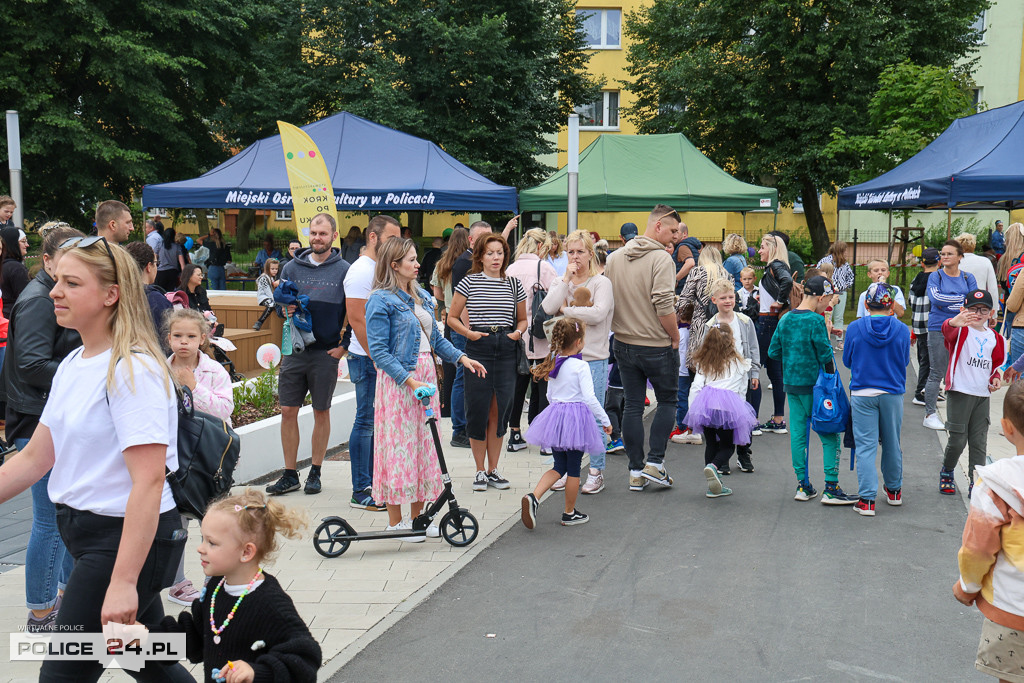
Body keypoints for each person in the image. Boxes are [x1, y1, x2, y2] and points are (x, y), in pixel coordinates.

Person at [0, 235, 192, 682]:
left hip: (120, 542)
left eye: (71, 283)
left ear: (111, 295)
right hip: (88, 535)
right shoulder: (74, 363)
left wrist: (124, 580)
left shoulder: (133, 369)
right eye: (56, 280)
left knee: (62, 674)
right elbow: (32, 458)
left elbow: (148, 481)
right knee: (144, 658)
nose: (54, 291)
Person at [365, 237, 486, 534]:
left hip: (425, 377)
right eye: (411, 260)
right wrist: (409, 379)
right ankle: (396, 522)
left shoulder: (420, 295)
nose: (418, 264)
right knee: (398, 448)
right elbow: (379, 352)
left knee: (423, 446)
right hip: (400, 381)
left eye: (416, 258)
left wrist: (462, 359)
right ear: (394, 265)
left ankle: (419, 519)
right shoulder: (380, 299)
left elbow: (436, 340)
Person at [1, 224, 82, 633]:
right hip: (36, 422)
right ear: (46, 261)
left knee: (65, 520)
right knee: (49, 524)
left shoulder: (56, 296)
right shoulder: (37, 301)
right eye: (64, 259)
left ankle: (64, 605)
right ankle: (40, 613)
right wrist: (86, 374)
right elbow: (31, 365)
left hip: (51, 419)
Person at [161, 490, 321, 681]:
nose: (200, 548)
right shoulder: (215, 588)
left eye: (211, 543)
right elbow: (195, 638)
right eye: (202, 539)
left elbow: (306, 658)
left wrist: (256, 672)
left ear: (246, 552)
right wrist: (136, 643)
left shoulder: (269, 602)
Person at [265, 214, 350, 496]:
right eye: (313, 233)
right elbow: (279, 307)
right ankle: (290, 474)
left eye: (323, 233)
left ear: (333, 237)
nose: (317, 238)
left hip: (325, 353)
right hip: (294, 351)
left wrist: (343, 347)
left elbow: (356, 312)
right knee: (288, 411)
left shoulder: (344, 270)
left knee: (321, 411)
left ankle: (315, 470)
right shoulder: (290, 268)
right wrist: (283, 310)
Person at [604, 204, 682, 492]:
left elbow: (609, 298)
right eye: (673, 230)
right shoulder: (661, 259)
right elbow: (664, 304)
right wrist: (674, 336)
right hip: (656, 344)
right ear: (659, 224)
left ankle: (636, 471)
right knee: (668, 401)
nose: (675, 237)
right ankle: (655, 463)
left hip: (623, 343)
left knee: (633, 405)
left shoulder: (616, 257)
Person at [954, 383, 1024, 683]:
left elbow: (977, 550)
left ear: (1006, 427)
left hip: (1013, 611)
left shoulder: (998, 485)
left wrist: (967, 587)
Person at [163, 308, 233, 605]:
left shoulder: (214, 371)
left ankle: (212, 579)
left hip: (210, 458)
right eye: (178, 336)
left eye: (191, 336)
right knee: (176, 520)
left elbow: (223, 410)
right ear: (168, 339)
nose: (184, 342)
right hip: (174, 459)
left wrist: (194, 386)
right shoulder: (160, 369)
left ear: (203, 339)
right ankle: (177, 582)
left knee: (212, 519)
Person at [447, 233, 526, 492]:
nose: (496, 258)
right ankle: (479, 470)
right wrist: (469, 333)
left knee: (499, 411)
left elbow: (523, 319)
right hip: (478, 346)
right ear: (480, 256)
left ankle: (493, 469)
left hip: (506, 347)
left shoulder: (514, 283)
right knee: (478, 409)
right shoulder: (469, 282)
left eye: (500, 253)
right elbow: (452, 318)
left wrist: (517, 333)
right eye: (490, 253)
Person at [768, 275, 857, 504]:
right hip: (816, 388)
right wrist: (826, 336)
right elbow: (825, 355)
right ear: (820, 296)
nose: (827, 305)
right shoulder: (815, 321)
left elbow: (773, 352)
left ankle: (803, 485)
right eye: (827, 300)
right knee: (829, 433)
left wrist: (793, 356)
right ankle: (831, 486)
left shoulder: (786, 318)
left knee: (798, 435)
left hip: (792, 385)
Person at [540, 229, 614, 494]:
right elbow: (548, 307)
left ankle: (596, 471)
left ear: (590, 253)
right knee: (564, 415)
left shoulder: (600, 283)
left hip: (593, 357)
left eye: (580, 251)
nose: (575, 257)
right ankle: (564, 470)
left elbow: (598, 313)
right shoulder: (563, 281)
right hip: (564, 359)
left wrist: (567, 310)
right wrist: (565, 279)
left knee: (593, 415)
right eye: (570, 252)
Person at [521, 317, 611, 528]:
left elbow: (550, 395)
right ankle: (569, 512)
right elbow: (590, 398)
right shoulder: (581, 366)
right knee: (573, 468)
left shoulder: (554, 362)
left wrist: (558, 413)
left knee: (558, 465)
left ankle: (534, 497)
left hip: (557, 417)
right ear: (579, 342)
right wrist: (605, 420)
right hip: (576, 419)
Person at [344, 215, 401, 510]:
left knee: (375, 422)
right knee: (365, 422)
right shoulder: (360, 271)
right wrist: (378, 358)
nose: (396, 245)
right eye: (391, 239)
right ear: (373, 237)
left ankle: (372, 482)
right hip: (367, 359)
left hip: (377, 359)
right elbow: (357, 320)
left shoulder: (376, 268)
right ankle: (360, 489)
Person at [843, 283, 911, 517]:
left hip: (863, 392)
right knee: (892, 442)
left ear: (865, 304)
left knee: (866, 445)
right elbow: (904, 361)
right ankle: (894, 491)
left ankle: (867, 499)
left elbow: (847, 361)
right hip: (892, 391)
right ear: (891, 305)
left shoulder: (854, 327)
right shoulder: (902, 330)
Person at [938, 290, 1005, 496]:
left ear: (991, 312)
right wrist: (955, 321)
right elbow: (946, 331)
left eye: (983, 309)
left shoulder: (995, 338)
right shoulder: (961, 331)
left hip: (981, 396)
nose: (978, 313)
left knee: (979, 441)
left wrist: (995, 377)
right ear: (963, 310)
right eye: (973, 309)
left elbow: (995, 365)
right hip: (960, 391)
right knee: (958, 439)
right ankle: (947, 470)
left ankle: (975, 481)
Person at [686, 323, 758, 499]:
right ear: (731, 340)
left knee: (711, 444)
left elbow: (696, 386)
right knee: (727, 446)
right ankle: (714, 467)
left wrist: (693, 410)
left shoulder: (704, 361)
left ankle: (713, 485)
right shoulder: (739, 362)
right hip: (728, 406)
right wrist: (739, 414)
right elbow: (742, 390)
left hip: (706, 404)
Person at [506, 228, 557, 453]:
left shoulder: (510, 269)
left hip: (517, 335)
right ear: (540, 246)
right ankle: (544, 437)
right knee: (544, 385)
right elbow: (556, 299)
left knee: (518, 387)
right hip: (541, 335)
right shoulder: (543, 267)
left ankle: (514, 433)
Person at [446, 221, 495, 448]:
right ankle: (459, 430)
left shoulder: (477, 261)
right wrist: (469, 332)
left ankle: (469, 426)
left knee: (471, 378)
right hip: (465, 331)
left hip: (475, 330)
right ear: (471, 240)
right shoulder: (463, 263)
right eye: (483, 238)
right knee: (462, 378)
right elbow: (461, 305)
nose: (487, 242)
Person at [704, 279, 761, 472]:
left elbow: (753, 348)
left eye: (731, 297)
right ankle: (722, 459)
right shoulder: (710, 324)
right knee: (723, 420)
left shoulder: (745, 321)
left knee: (744, 416)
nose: (728, 301)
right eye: (723, 298)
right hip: (721, 380)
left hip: (742, 376)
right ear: (714, 300)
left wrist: (755, 371)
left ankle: (744, 453)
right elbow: (705, 352)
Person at [924, 240, 979, 430]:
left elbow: (972, 302)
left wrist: (956, 304)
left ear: (960, 257)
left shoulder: (967, 277)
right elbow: (935, 298)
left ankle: (959, 415)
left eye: (949, 254)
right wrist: (960, 302)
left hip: (963, 328)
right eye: (943, 254)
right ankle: (930, 413)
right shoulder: (935, 276)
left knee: (960, 371)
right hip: (938, 327)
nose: (944, 257)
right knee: (937, 371)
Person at [432, 227, 470, 428]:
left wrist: (448, 299)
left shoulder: (442, 264)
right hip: (467, 318)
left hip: (449, 315)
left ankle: (446, 409)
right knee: (465, 367)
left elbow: (436, 293)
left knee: (450, 366)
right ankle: (461, 415)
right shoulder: (469, 263)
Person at [756, 233, 794, 434]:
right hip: (772, 320)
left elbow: (786, 282)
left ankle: (753, 420)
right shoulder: (778, 266)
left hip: (768, 321)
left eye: (762, 247)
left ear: (772, 248)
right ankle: (778, 419)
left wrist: (778, 302)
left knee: (753, 369)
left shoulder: (775, 265)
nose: (759, 250)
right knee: (775, 372)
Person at [125, 242, 174, 345]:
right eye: (157, 263)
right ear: (149, 266)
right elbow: (167, 342)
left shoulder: (114, 295)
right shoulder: (157, 300)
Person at [909, 248, 941, 406]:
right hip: (933, 324)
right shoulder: (938, 279)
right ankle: (921, 392)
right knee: (933, 361)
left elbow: (911, 302)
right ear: (939, 262)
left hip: (918, 324)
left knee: (924, 359)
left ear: (922, 263)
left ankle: (927, 389)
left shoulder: (916, 280)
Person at [817, 241, 854, 346]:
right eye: (845, 250)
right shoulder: (825, 261)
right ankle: (825, 340)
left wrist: (845, 286)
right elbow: (817, 275)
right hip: (828, 293)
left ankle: (839, 340)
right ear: (840, 250)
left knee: (839, 316)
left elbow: (850, 277)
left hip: (841, 292)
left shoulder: (844, 263)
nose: (847, 253)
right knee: (827, 315)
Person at [957, 232, 1000, 320]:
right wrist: (994, 314)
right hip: (980, 308)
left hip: (958, 309)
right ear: (974, 246)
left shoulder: (954, 263)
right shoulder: (985, 261)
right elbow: (993, 289)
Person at [0, 226, 30, 319]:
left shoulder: (4, 265)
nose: (27, 245)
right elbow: (27, 300)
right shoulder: (16, 268)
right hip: (14, 321)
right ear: (13, 244)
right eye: (23, 241)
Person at [156, 227, 185, 292]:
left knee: (160, 292)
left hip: (161, 272)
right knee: (170, 293)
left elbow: (154, 257)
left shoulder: (160, 244)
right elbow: (182, 263)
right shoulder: (177, 246)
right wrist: (184, 274)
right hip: (173, 272)